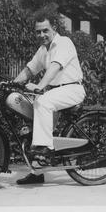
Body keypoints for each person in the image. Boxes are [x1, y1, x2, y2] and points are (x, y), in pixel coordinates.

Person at [13, 11, 86, 185]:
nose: (41, 35)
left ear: (54, 28)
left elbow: (55, 67)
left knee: (42, 101)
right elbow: (30, 70)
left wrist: (40, 87)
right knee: (35, 124)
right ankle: (37, 173)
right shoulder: (42, 50)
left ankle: (44, 150)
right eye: (38, 32)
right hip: (55, 92)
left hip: (72, 88)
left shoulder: (64, 43)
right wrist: (12, 83)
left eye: (45, 30)